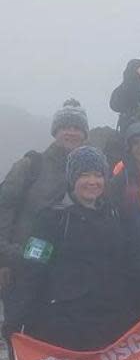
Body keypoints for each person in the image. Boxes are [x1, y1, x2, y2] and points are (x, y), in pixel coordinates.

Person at [3, 146, 140, 348]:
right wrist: (16, 321)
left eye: (98, 175)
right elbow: (32, 270)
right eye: (84, 175)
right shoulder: (51, 219)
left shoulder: (117, 216)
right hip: (65, 327)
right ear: (72, 179)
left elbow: (139, 259)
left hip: (113, 323)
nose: (93, 182)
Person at [0, 99, 88, 286]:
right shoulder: (30, 165)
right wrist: (4, 261)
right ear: (55, 131)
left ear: (84, 134)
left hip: (67, 271)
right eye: (65, 127)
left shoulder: (89, 174)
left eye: (77, 128)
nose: (72, 132)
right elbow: (4, 210)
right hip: (22, 267)